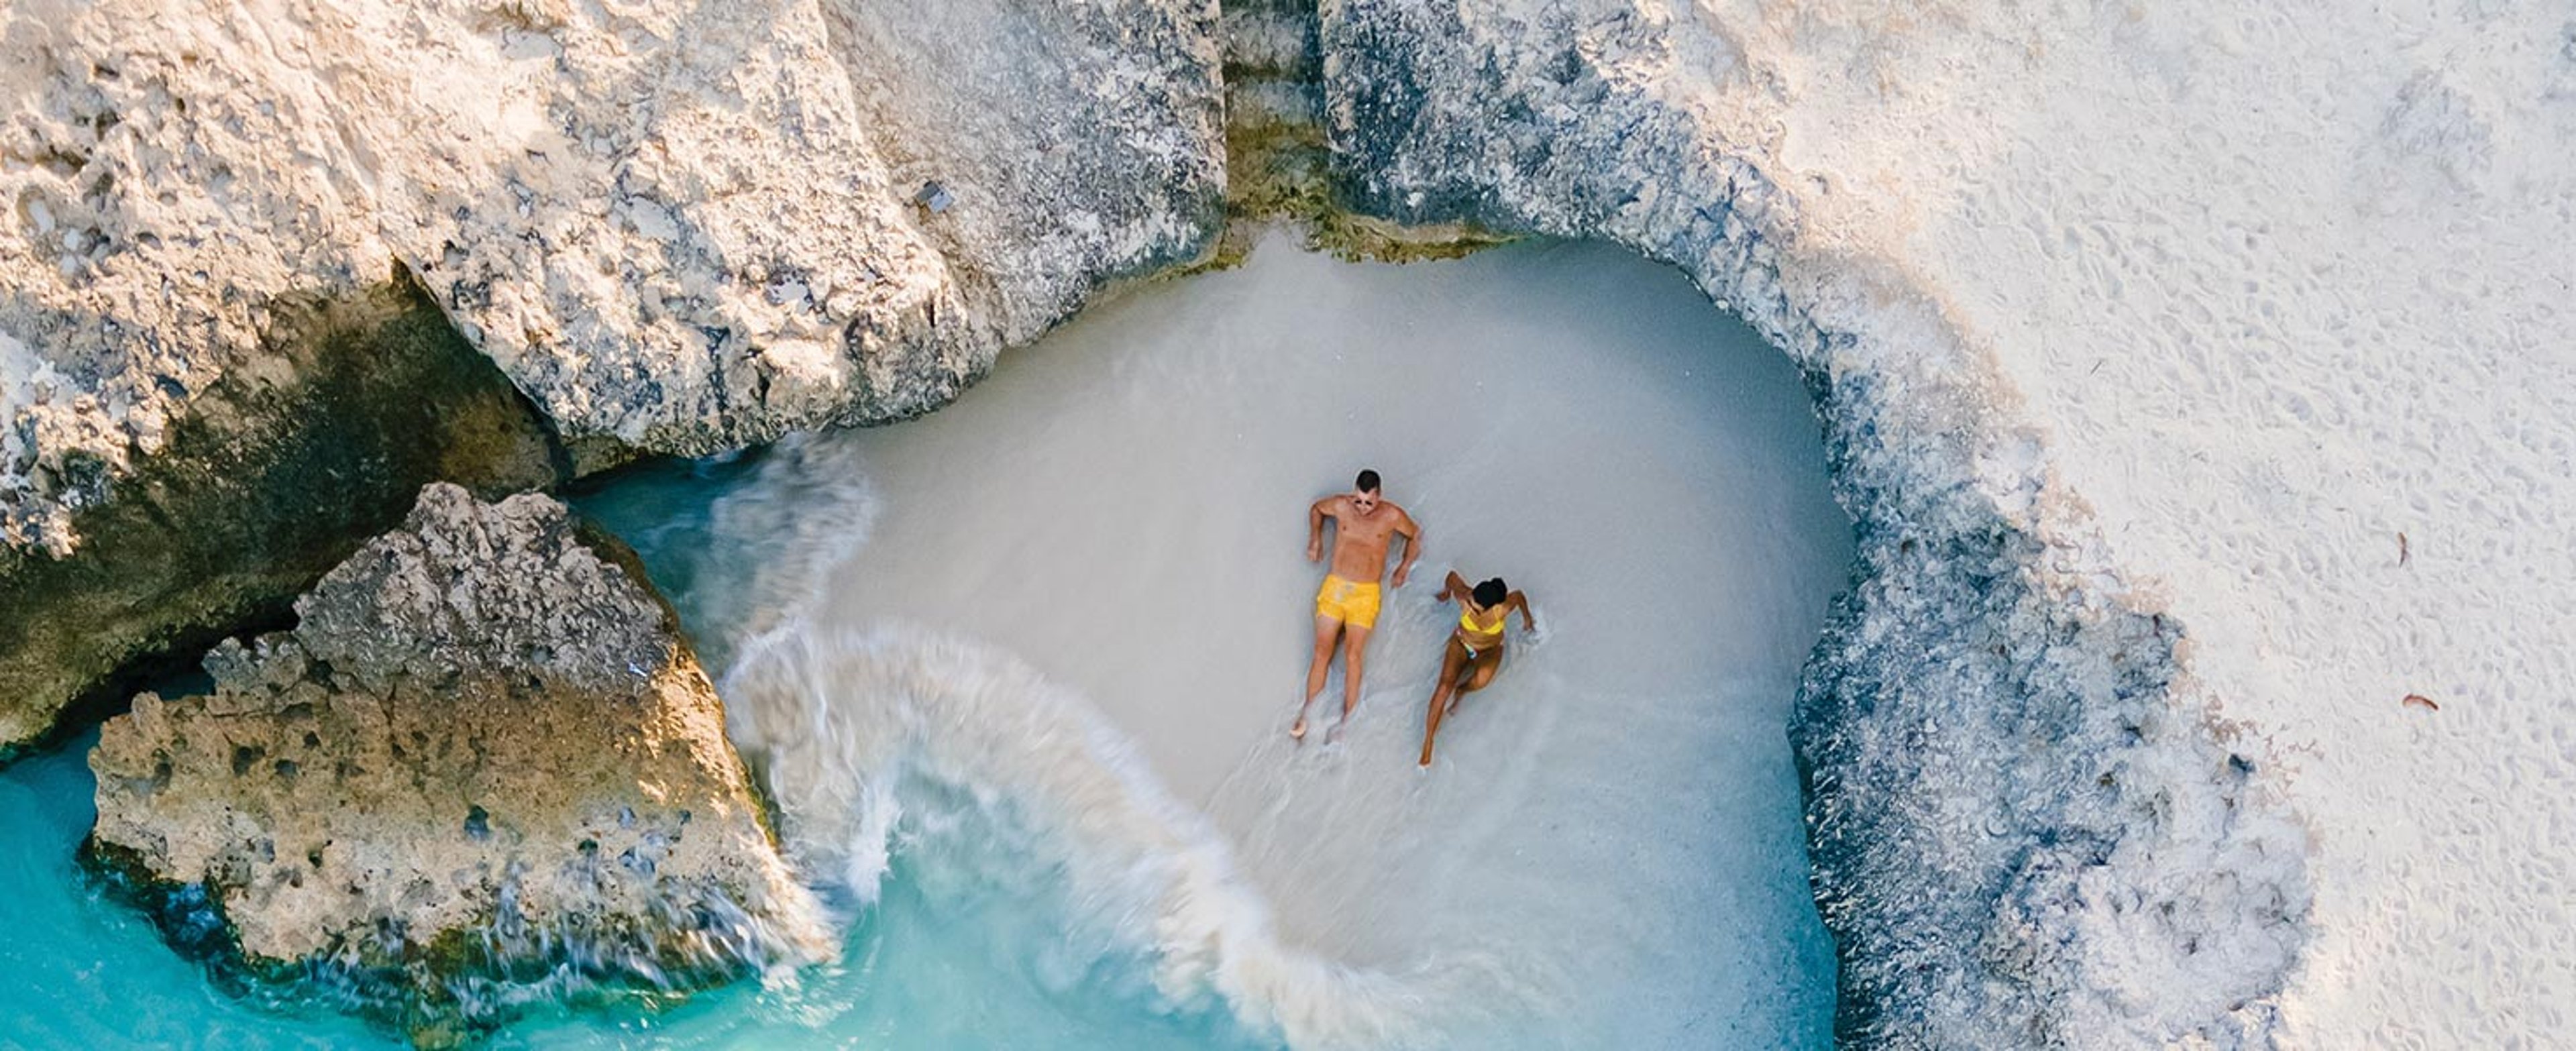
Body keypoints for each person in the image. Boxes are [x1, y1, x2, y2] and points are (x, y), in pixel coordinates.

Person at [1295, 469, 1421, 742]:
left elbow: (1415, 535)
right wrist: (1315, 539)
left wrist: (1404, 567)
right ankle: (1308, 713)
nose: (1362, 508)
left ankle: (1345, 722)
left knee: (1353, 655)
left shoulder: (1391, 516)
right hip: (1336, 587)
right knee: (1322, 651)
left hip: (1365, 594)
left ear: (1379, 497)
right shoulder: (1342, 506)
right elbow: (1316, 509)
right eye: (1359, 500)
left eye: (1369, 502)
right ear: (1354, 493)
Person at [1417, 571, 1535, 767]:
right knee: (1443, 687)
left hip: (1488, 651)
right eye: (1470, 603)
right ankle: (1428, 742)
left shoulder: (1503, 609)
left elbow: (1520, 596)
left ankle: (1462, 690)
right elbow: (1451, 577)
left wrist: (1528, 620)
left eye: (1476, 609)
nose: (1470, 608)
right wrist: (1447, 593)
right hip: (1461, 644)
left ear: (1493, 608)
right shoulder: (1465, 596)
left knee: (1481, 681)